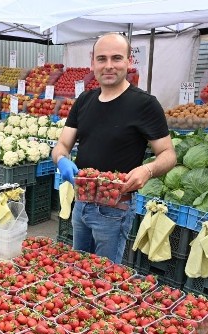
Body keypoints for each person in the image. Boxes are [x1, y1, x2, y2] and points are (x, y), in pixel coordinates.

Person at [51, 33, 176, 264]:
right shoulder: (84, 100)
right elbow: (62, 145)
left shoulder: (145, 104)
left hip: (115, 208)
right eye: (102, 59)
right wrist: (61, 159)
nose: (109, 66)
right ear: (93, 63)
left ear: (129, 61)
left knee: (104, 277)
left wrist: (147, 170)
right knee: (79, 269)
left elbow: (168, 154)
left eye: (116, 58)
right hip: (82, 201)